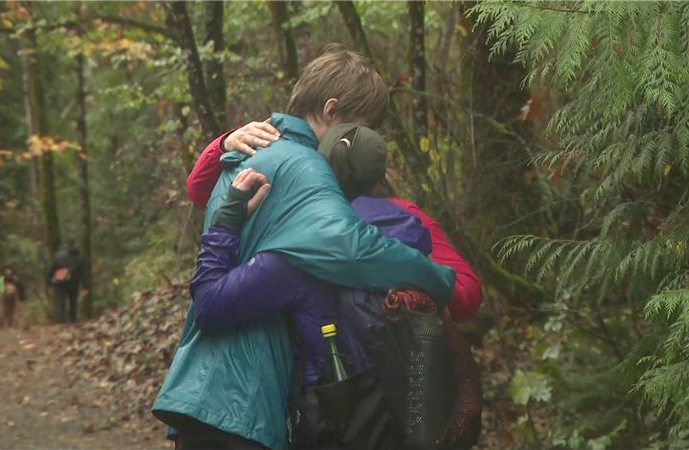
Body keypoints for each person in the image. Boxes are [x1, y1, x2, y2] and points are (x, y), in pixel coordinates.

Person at [153, 48, 455, 450]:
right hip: (243, 399)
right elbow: (354, 248)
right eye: (361, 127)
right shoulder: (305, 167)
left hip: (200, 384)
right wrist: (437, 278)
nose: (362, 139)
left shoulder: (242, 153)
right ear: (331, 111)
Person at [187, 122, 484, 448]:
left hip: (331, 419)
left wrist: (226, 223)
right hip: (407, 413)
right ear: (376, 182)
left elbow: (209, 306)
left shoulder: (296, 250)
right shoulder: (410, 232)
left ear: (316, 168)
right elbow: (465, 293)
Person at [47, 239, 88, 323]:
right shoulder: (80, 256)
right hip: (74, 282)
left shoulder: (59, 255)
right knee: (73, 302)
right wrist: (85, 285)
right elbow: (84, 272)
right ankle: (73, 320)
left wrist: (49, 280)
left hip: (60, 280)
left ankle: (61, 322)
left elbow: (53, 268)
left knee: (61, 302)